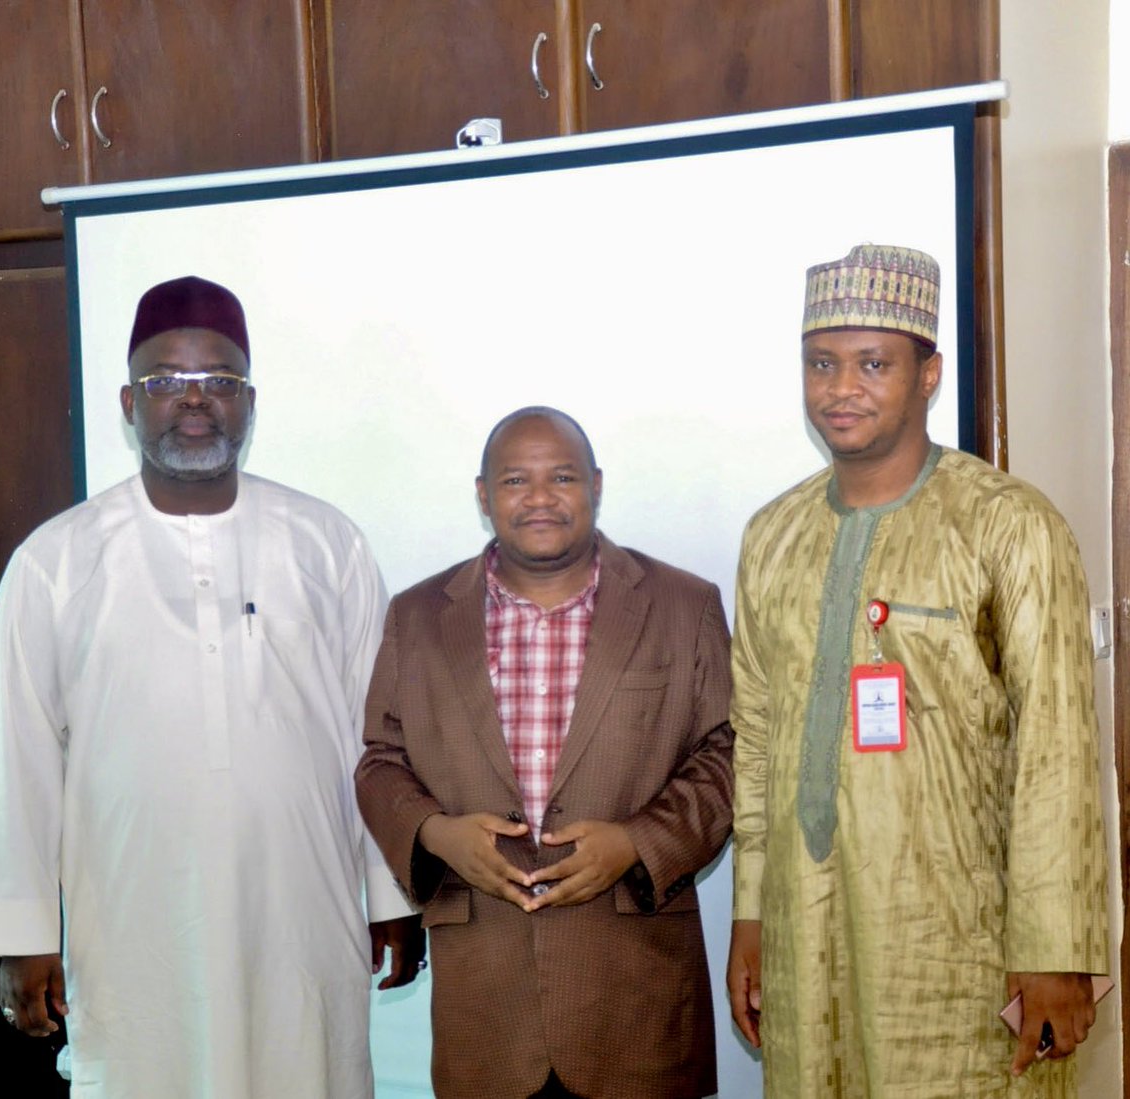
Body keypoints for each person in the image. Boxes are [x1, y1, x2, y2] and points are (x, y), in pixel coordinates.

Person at [0, 275, 424, 1098]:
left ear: (248, 403)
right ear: (131, 402)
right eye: (168, 381)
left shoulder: (326, 542)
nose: (194, 400)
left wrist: (392, 891)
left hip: (301, 908)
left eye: (219, 382)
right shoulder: (56, 561)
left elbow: (376, 734)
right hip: (133, 919)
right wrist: (21, 934)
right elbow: (11, 757)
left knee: (306, 1064)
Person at [726, 243, 1110, 1096]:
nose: (841, 389)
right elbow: (754, 741)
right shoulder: (772, 536)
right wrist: (750, 914)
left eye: (873, 364)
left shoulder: (1010, 525)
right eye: (821, 363)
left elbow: (1058, 753)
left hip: (958, 938)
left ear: (928, 373)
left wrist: (1055, 950)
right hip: (804, 921)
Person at [354, 407, 734, 1099]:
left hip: (637, 999)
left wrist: (636, 843)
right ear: (482, 495)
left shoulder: (685, 604)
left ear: (595, 484)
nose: (539, 497)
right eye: (515, 479)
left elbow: (728, 754)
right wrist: (437, 835)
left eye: (561, 476)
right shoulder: (418, 616)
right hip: (486, 1010)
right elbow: (381, 759)